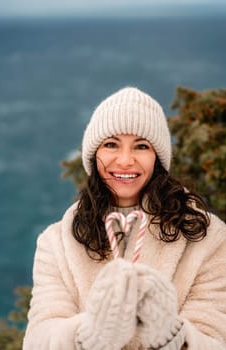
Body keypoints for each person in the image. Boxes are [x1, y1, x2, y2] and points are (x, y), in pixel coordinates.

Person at [23, 87, 226, 350]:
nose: (125, 160)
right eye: (111, 144)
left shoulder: (208, 237)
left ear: (158, 158)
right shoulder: (55, 243)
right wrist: (90, 335)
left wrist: (170, 333)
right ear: (94, 155)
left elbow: (216, 339)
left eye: (141, 146)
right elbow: (39, 338)